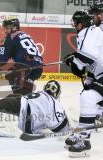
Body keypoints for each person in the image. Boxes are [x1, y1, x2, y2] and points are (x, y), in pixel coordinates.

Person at [63, 10, 103, 158]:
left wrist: (75, 64)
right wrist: (75, 59)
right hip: (100, 75)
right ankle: (83, 131)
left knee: (89, 97)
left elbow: (88, 56)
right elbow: (96, 58)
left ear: (80, 24)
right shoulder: (92, 31)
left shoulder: (88, 32)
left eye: (75, 22)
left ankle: (84, 140)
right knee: (88, 94)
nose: (74, 25)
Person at [0, 18, 43, 95]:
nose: (5, 31)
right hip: (38, 67)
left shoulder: (9, 38)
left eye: (7, 28)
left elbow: (0, 61)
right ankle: (25, 100)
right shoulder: (25, 35)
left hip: (24, 67)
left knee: (8, 74)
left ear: (14, 27)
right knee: (24, 92)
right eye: (4, 28)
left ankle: (18, 100)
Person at [0, 80, 70, 134]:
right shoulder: (55, 103)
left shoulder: (39, 93)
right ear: (57, 93)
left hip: (16, 102)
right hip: (23, 114)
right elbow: (61, 128)